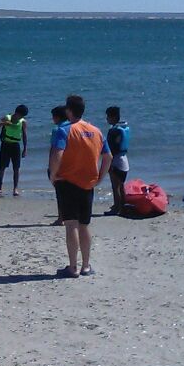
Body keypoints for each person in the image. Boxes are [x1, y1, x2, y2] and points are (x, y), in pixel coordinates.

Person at [48, 95, 112, 278]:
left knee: (71, 225)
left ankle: (73, 267)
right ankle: (85, 266)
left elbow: (57, 154)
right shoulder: (97, 131)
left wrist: (53, 175)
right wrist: (100, 177)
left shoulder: (65, 130)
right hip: (87, 183)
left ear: (69, 111)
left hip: (67, 182)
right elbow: (108, 157)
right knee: (84, 225)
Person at [0, 104, 29, 196]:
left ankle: (15, 188)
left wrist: (25, 148)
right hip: (5, 144)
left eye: (23, 116)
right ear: (16, 113)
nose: (21, 117)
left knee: (16, 168)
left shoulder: (23, 122)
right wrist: (3, 123)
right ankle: (0, 186)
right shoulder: (7, 117)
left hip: (15, 146)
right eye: (20, 115)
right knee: (2, 167)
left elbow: (25, 136)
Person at [105, 106, 131, 213]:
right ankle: (123, 206)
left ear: (113, 117)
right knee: (121, 185)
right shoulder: (124, 128)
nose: (106, 119)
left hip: (116, 160)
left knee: (115, 186)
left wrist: (108, 163)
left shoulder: (113, 131)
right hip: (124, 160)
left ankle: (116, 208)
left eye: (108, 117)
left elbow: (110, 149)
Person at [47, 105, 69, 225]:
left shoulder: (58, 130)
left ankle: (61, 218)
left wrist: (51, 168)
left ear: (57, 117)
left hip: (61, 164)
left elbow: (55, 149)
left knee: (60, 193)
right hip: (72, 164)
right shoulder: (73, 127)